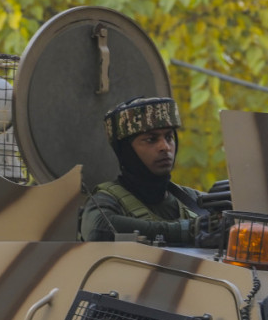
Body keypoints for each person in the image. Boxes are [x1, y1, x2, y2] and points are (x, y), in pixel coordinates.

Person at [80, 96, 216, 245]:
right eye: (151, 139)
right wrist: (189, 230)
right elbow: (98, 230)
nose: (165, 147)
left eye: (169, 137)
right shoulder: (106, 200)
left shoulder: (193, 201)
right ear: (126, 150)